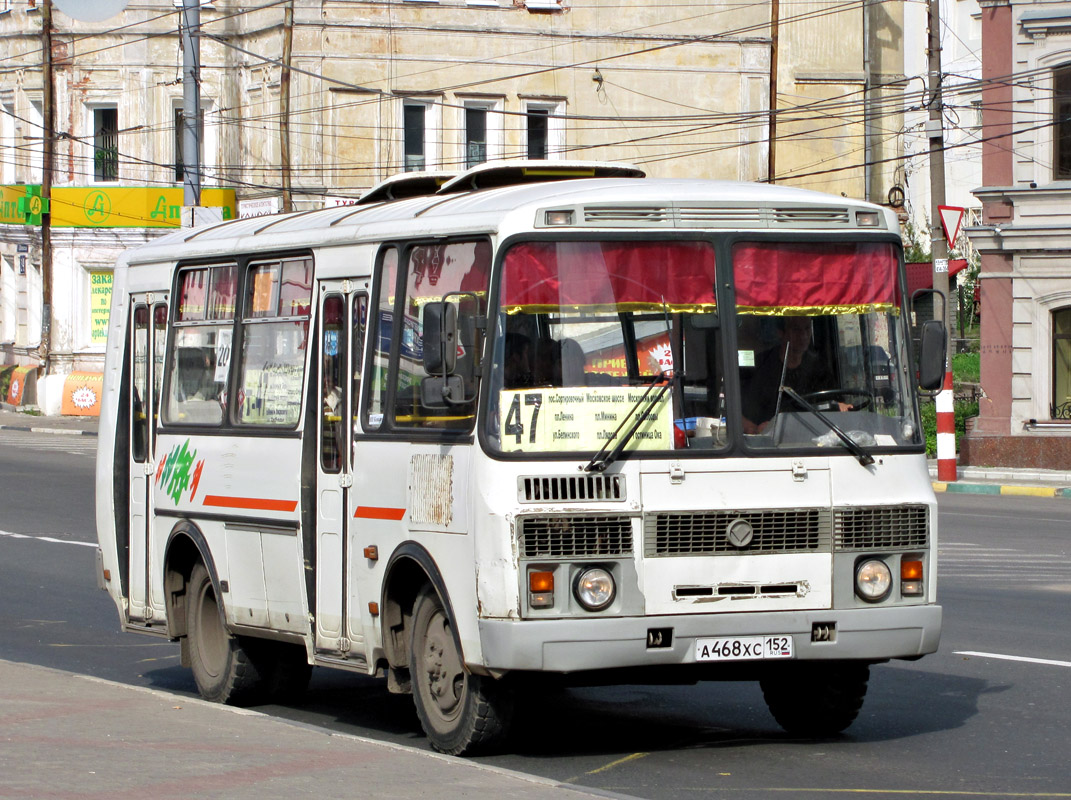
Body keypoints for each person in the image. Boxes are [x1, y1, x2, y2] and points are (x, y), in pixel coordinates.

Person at [741, 316, 839, 433]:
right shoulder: (760, 367)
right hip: (768, 445)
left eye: (807, 329)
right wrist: (756, 430)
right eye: (796, 330)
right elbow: (736, 413)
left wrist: (840, 406)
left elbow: (834, 405)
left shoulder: (819, 368)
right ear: (780, 333)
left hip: (812, 439)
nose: (803, 336)